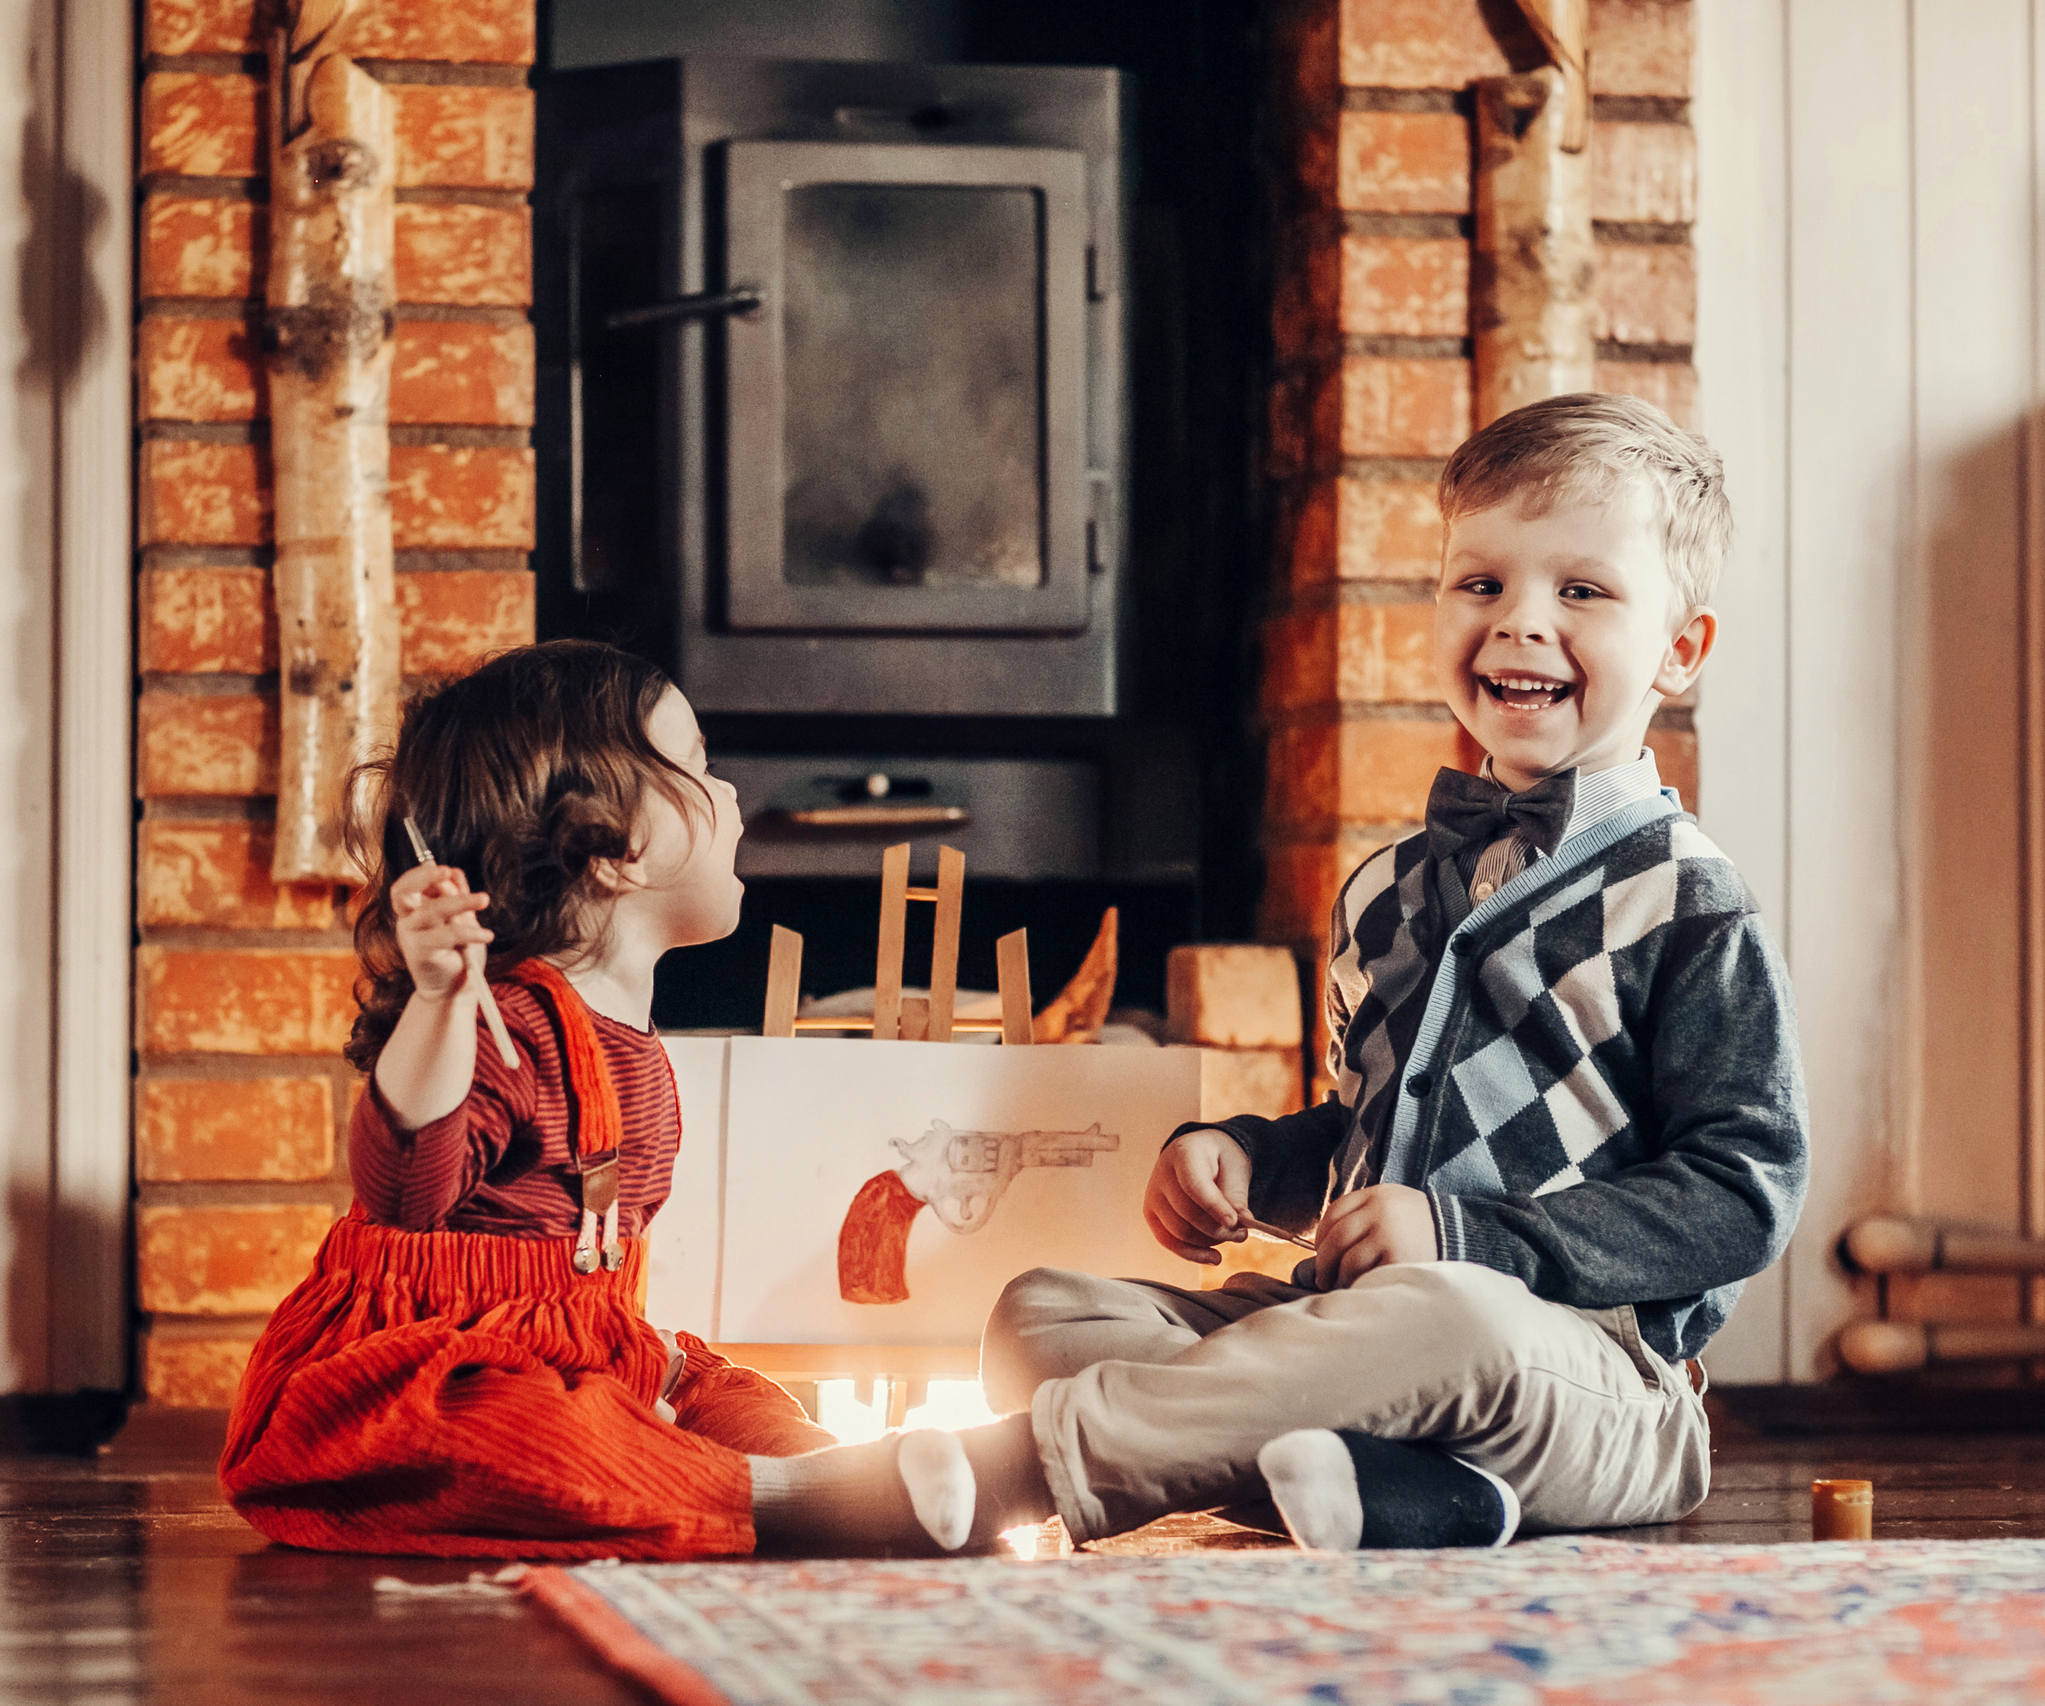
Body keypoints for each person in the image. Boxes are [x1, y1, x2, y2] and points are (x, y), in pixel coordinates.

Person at [745, 392, 1809, 1554]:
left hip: (1586, 1377)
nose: (1519, 624)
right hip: (1353, 1329)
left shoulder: (1689, 899)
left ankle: (1021, 1470)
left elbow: (1742, 1187)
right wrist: (1253, 1155)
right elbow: (1370, 1129)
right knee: (1043, 1315)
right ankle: (1415, 1496)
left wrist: (1466, 1238)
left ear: (1679, 649)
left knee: (1436, 1313)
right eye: (1482, 583)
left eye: (1582, 591)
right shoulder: (1385, 891)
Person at [221, 640, 831, 1560]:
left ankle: (820, 1472)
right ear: (619, 850)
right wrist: (438, 1007)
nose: (733, 796)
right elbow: (408, 1189)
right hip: (436, 1378)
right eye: (700, 766)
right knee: (541, 1434)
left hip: (582, 1343)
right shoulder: (505, 1021)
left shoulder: (625, 1029)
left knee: (729, 1396)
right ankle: (793, 1501)